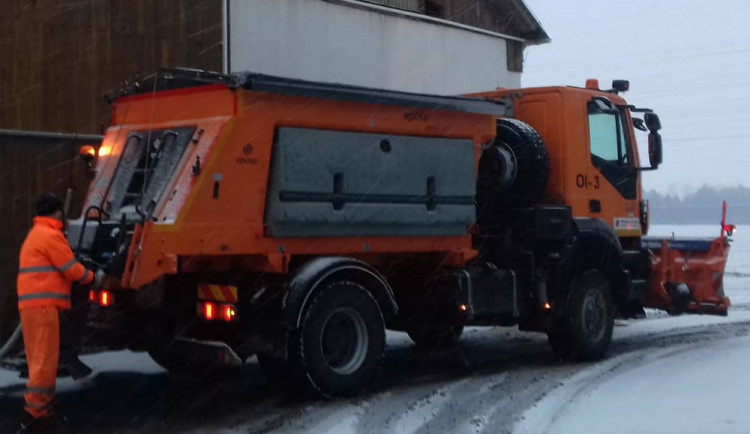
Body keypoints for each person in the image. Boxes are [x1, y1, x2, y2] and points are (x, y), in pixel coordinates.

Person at [16, 194, 102, 431]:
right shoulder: (51, 235)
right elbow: (70, 269)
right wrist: (94, 278)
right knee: (45, 362)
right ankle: (37, 415)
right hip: (44, 308)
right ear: (57, 212)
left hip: (32, 307)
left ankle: (38, 412)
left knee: (37, 361)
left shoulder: (36, 234)